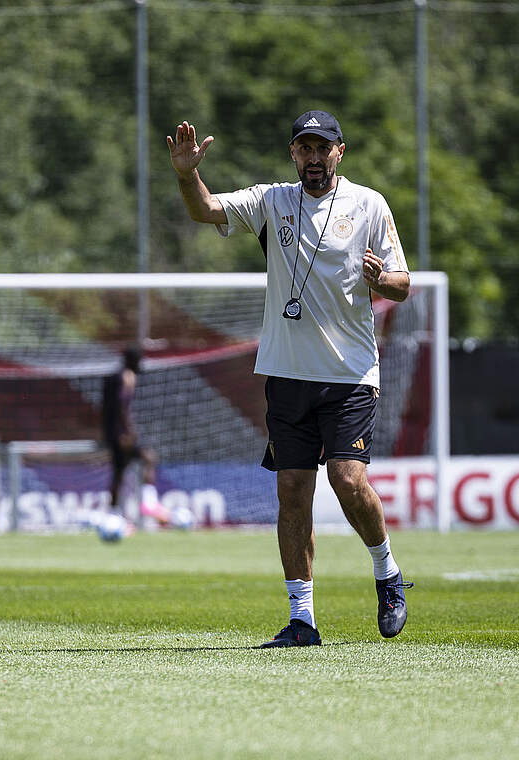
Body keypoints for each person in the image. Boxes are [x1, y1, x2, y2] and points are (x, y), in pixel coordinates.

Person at [167, 111, 413, 648]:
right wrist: (187, 175)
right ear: (293, 154)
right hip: (286, 374)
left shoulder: (369, 205)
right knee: (293, 491)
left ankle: (387, 573)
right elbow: (206, 210)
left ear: (340, 152)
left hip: (349, 373)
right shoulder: (272, 199)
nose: (314, 157)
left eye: (323, 147)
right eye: (304, 148)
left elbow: (402, 282)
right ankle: (302, 619)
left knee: (348, 480)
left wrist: (383, 281)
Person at [101, 346, 167, 528]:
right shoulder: (127, 376)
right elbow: (122, 407)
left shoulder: (115, 376)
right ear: (132, 361)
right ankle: (149, 502)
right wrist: (128, 431)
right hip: (122, 434)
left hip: (112, 433)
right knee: (148, 458)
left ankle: (113, 516)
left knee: (119, 474)